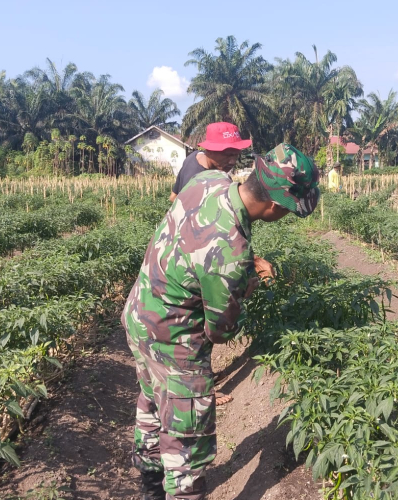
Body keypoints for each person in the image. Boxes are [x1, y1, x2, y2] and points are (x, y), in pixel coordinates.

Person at [122, 144, 320, 500]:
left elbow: (195, 234)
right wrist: (245, 286)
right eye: (290, 210)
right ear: (275, 206)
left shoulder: (210, 180)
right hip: (174, 339)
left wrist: (237, 263)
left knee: (152, 399)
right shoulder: (231, 253)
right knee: (186, 437)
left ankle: (150, 486)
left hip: (140, 313)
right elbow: (220, 330)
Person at [169, 122, 252, 203]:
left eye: (236, 155)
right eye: (227, 155)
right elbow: (180, 203)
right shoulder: (199, 181)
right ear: (209, 151)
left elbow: (173, 196)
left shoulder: (194, 156)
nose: (232, 161)